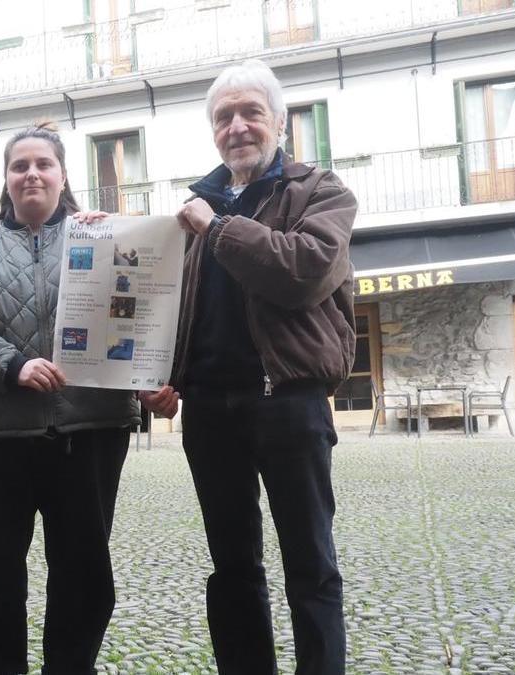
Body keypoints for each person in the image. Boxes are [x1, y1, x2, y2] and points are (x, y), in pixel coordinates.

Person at [0, 121, 179, 674]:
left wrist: (153, 379)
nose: (32, 174)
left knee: (84, 573)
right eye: (20, 166)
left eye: (43, 164)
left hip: (89, 433)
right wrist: (13, 365)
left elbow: (146, 312)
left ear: (63, 174)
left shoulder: (106, 237)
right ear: (6, 179)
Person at [174, 59, 357, 674]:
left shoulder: (321, 191)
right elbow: (173, 304)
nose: (237, 126)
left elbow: (302, 272)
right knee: (232, 567)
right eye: (223, 117)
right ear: (213, 131)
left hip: (288, 400)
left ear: (279, 121)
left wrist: (218, 226)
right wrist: (164, 374)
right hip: (208, 407)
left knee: (309, 562)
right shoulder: (193, 209)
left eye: (251, 112)